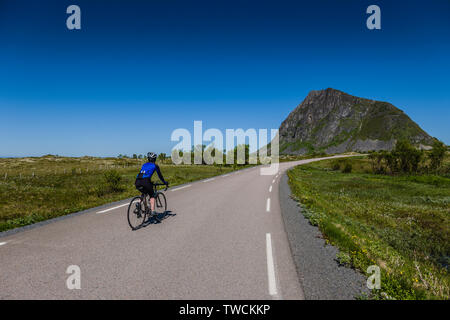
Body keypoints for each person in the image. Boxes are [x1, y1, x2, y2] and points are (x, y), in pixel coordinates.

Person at [135, 152, 169, 218]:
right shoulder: (155, 166)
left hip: (137, 180)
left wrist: (149, 182)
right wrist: (164, 182)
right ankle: (153, 211)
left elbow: (144, 174)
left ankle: (138, 203)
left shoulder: (144, 165)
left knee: (144, 192)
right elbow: (160, 176)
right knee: (152, 195)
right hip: (146, 181)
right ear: (155, 159)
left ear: (148, 159)